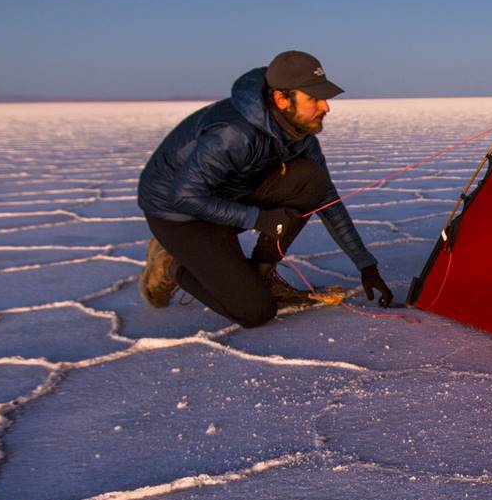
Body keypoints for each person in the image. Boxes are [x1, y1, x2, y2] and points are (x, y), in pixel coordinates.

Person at [135, 51, 392, 327]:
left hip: (228, 196)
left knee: (311, 179)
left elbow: (327, 201)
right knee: (254, 311)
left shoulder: (300, 135)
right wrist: (258, 219)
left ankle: (262, 272)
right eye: (314, 99)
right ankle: (172, 265)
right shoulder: (233, 134)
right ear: (282, 99)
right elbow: (184, 197)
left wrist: (366, 265)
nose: (326, 107)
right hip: (179, 215)